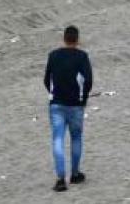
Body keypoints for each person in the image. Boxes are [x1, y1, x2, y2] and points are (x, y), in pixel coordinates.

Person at [45, 25, 93, 192]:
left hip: (57, 103)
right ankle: (75, 173)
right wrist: (83, 97)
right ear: (77, 40)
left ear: (64, 38)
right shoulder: (82, 56)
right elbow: (88, 80)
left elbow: (47, 79)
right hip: (76, 105)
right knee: (76, 138)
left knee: (58, 139)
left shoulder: (53, 55)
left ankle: (60, 178)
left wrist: (52, 93)